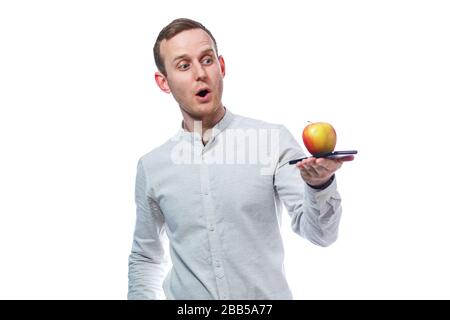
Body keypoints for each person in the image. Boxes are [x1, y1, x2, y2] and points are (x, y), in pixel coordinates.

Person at [128, 18, 354, 300]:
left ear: (221, 67)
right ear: (164, 82)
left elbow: (320, 234)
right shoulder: (152, 167)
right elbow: (145, 258)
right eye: (184, 65)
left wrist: (320, 185)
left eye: (207, 60)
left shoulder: (272, 141)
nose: (200, 73)